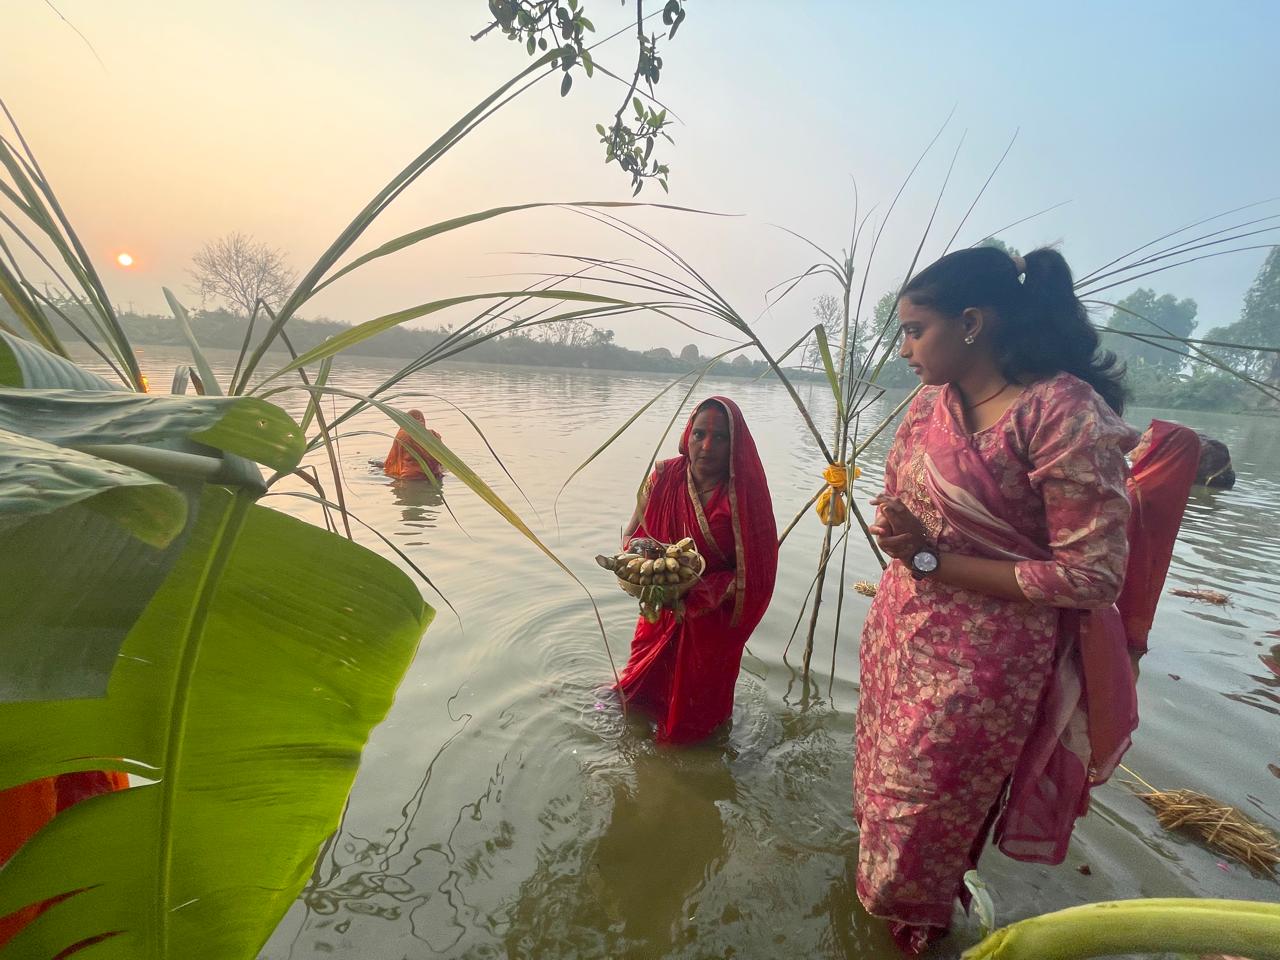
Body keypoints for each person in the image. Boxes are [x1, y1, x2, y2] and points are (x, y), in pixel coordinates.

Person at [854, 246, 1200, 954]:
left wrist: (933, 558)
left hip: (985, 667)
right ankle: (880, 914)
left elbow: (1090, 576)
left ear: (973, 323)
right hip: (902, 633)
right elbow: (903, 499)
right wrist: (902, 530)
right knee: (882, 796)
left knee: (927, 812)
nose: (905, 348)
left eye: (916, 329)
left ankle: (918, 929)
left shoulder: (1064, 415)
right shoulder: (928, 405)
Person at [615, 397, 778, 744]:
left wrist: (703, 592)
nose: (706, 446)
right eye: (699, 433)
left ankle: (689, 752)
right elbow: (632, 533)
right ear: (687, 435)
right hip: (660, 604)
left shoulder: (745, 497)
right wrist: (640, 564)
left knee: (693, 722)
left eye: (719, 437)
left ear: (735, 445)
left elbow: (758, 573)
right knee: (636, 694)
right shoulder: (663, 476)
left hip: (711, 619)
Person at [382, 410, 445, 481]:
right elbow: (442, 460)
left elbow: (393, 460)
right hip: (435, 475)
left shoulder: (402, 435)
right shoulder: (433, 435)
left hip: (410, 477)